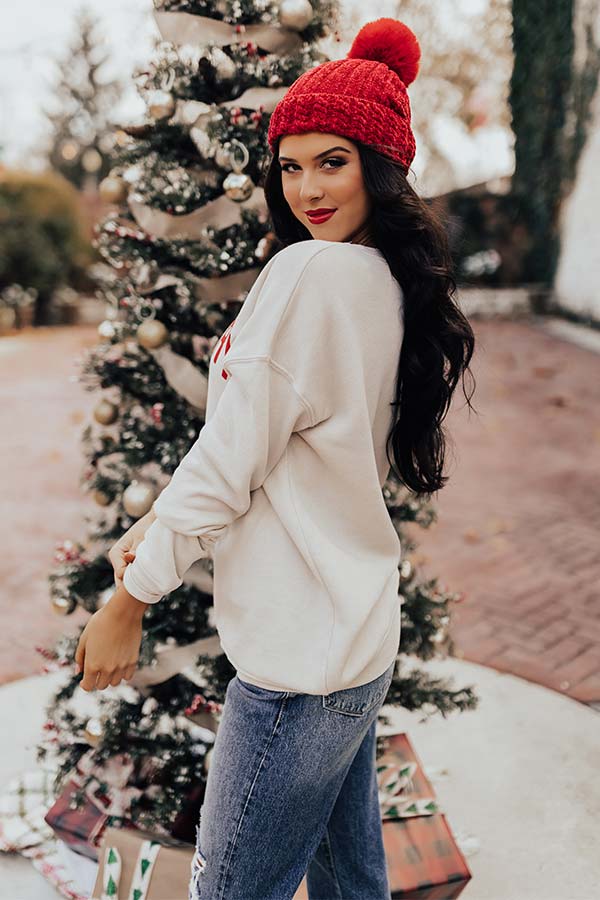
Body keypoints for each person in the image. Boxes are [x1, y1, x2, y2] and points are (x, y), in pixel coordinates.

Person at [75, 17, 476, 900]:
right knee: (349, 885)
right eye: (289, 167)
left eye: (332, 162)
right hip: (351, 644)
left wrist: (130, 601)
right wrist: (156, 526)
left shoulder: (310, 276)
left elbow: (231, 461)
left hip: (297, 670)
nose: (307, 189)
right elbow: (274, 447)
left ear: (380, 165)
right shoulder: (381, 281)